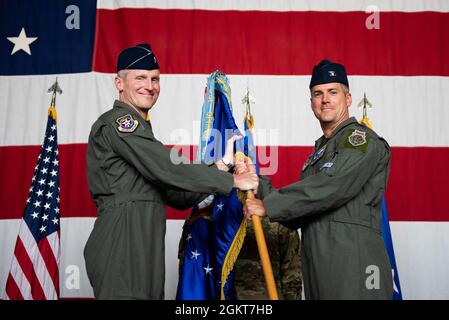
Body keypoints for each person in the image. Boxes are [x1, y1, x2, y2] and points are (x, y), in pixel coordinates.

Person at [84, 43, 258, 300]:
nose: (150, 85)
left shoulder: (142, 131)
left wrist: (220, 166)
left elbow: (175, 194)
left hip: (144, 243)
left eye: (155, 78)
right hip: (122, 240)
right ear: (119, 83)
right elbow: (166, 167)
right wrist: (231, 179)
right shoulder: (119, 124)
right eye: (140, 77)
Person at [245, 59, 393, 300]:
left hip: (355, 267)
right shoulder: (321, 151)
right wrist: (258, 184)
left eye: (333, 92)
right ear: (311, 102)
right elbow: (304, 208)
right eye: (318, 93)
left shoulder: (360, 140)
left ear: (348, 98)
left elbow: (331, 186)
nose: (325, 99)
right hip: (319, 264)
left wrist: (267, 205)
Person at [177, 156, 302, 300]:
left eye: (246, 165)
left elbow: (292, 278)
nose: (240, 169)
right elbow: (188, 270)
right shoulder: (204, 218)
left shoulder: (276, 213)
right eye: (235, 167)